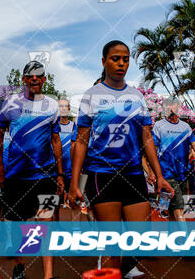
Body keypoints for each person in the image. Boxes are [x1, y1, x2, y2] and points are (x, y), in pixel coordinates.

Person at [68, 40, 174, 276]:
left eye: (125, 59)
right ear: (104, 61)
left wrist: (159, 176)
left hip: (134, 175)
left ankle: (114, 272)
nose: (121, 63)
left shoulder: (136, 96)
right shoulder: (91, 96)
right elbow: (82, 141)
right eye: (115, 58)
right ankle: (109, 271)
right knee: (113, 246)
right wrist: (75, 183)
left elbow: (146, 137)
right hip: (102, 177)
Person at [0, 60, 64, 279]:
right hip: (16, 176)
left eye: (39, 75)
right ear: (23, 79)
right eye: (30, 75)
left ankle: (49, 275)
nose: (34, 78)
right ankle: (20, 266)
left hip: (46, 175)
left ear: (44, 79)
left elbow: (55, 139)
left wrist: (59, 173)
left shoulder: (52, 105)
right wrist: (0, 167)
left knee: (45, 223)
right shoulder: (10, 103)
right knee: (19, 224)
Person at [150, 97, 195, 221]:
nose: (169, 108)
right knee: (178, 207)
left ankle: (172, 237)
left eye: (172, 105)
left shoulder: (185, 127)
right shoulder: (159, 125)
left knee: (172, 209)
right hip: (166, 173)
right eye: (166, 106)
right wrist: (153, 172)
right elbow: (153, 149)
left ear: (178, 107)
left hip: (183, 172)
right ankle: (184, 238)